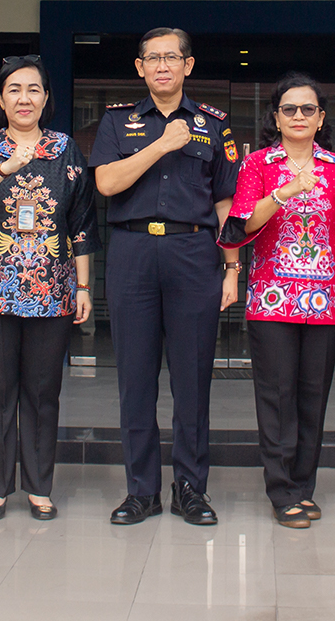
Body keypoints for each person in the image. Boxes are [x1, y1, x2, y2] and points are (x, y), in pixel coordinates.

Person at [90, 28, 241, 526]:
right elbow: (107, 182)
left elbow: (225, 203)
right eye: (152, 58)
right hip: (132, 251)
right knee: (135, 379)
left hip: (194, 252)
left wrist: (232, 267)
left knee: (193, 379)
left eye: (171, 57)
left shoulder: (214, 125)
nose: (161, 66)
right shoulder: (118, 123)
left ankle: (191, 490)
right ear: (139, 68)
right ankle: (141, 492)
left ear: (188, 65)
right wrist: (160, 145)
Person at [223, 73, 335, 528]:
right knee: (276, 397)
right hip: (272, 300)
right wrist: (283, 192)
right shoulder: (260, 165)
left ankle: (303, 486)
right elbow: (242, 224)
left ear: (321, 117)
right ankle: (281, 490)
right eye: (290, 109)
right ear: (277, 117)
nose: (299, 116)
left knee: (313, 397)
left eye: (308, 109)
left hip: (325, 301)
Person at [0, 55, 96, 521]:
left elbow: (81, 222)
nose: (24, 98)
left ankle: (39, 486)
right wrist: (8, 165)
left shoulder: (65, 149)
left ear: (46, 98)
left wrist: (83, 285)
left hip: (52, 290)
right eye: (14, 90)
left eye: (33, 89)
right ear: (0, 98)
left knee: (42, 389)